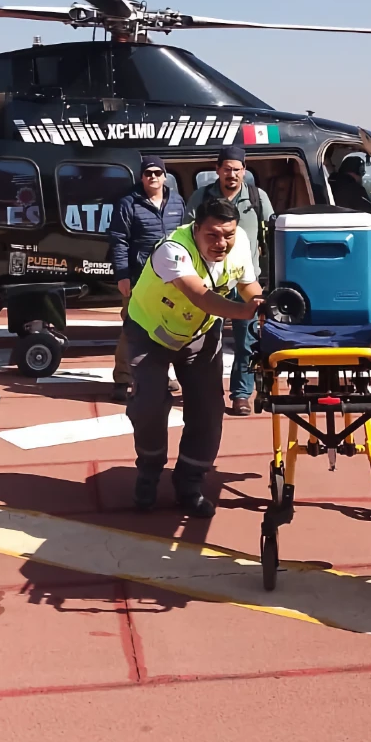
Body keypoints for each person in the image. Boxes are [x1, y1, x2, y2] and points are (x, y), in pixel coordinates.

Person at [124, 196, 263, 517]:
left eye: (228, 235)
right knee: (149, 403)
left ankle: (189, 483)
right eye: (212, 235)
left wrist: (262, 304)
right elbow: (200, 295)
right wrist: (245, 312)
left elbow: (248, 284)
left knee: (208, 409)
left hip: (200, 334)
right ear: (195, 229)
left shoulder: (240, 241)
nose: (221, 243)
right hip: (150, 331)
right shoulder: (172, 250)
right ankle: (149, 473)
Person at [186, 146, 272, 416]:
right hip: (210, 281)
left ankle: (241, 395)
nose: (232, 174)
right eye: (227, 169)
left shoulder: (257, 197)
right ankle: (209, 392)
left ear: (244, 171)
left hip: (246, 279)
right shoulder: (202, 197)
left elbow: (271, 234)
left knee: (248, 341)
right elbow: (187, 232)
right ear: (218, 170)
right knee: (207, 340)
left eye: (237, 169)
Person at [106, 156, 187, 403]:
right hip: (139, 276)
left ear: (164, 176)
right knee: (132, 328)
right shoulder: (128, 203)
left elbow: (184, 237)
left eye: (157, 173)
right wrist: (122, 275)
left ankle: (162, 374)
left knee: (168, 326)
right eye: (148, 173)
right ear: (141, 177)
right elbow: (119, 240)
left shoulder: (177, 201)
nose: (153, 177)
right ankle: (122, 379)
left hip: (171, 277)